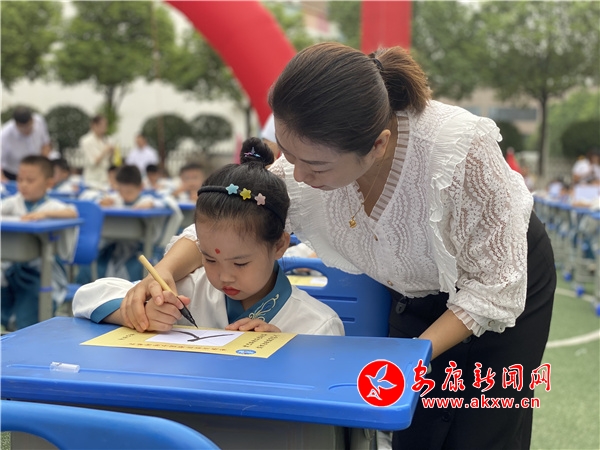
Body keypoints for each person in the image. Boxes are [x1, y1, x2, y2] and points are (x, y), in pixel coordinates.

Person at [118, 43, 556, 449]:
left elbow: (494, 287)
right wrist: (164, 272)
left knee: (483, 426)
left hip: (499, 281)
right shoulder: (312, 159)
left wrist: (413, 356)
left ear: (378, 145)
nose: (298, 176)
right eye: (288, 154)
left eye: (315, 165)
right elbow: (232, 223)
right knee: (413, 424)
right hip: (414, 288)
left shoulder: (457, 152)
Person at [73, 140, 344, 336]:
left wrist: (283, 355)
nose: (224, 276)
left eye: (240, 263)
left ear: (279, 245)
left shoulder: (315, 326)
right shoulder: (186, 293)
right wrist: (137, 313)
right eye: (209, 259)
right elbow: (86, 297)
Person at [1, 155, 78, 330]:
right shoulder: (14, 202)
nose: (23, 185)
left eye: (30, 180)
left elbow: (72, 213)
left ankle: (26, 330)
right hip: (13, 266)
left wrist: (44, 214)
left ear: (49, 183)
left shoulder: (52, 206)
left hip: (47, 271)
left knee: (32, 295)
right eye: (20, 179)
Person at [1, 106, 51, 181]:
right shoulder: (4, 135)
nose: (27, 130)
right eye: (23, 128)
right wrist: (3, 180)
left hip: (36, 169)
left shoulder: (39, 121)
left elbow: (45, 144)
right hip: (13, 173)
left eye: (29, 126)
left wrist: (44, 167)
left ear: (32, 120)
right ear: (16, 125)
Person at [79, 115, 114, 190]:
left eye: (106, 125)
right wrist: (104, 151)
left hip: (105, 179)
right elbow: (93, 162)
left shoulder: (108, 139)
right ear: (94, 125)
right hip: (92, 179)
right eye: (102, 125)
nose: (104, 128)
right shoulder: (86, 141)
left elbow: (110, 162)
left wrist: (112, 153)